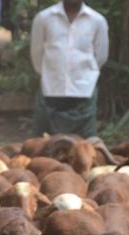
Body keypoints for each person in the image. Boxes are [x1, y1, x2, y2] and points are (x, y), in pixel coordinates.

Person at [30, 1, 109, 138]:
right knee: (41, 145)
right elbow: (36, 53)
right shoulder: (44, 18)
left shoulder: (97, 21)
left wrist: (86, 77)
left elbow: (101, 56)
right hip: (51, 92)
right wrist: (49, 76)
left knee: (85, 148)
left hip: (84, 93)